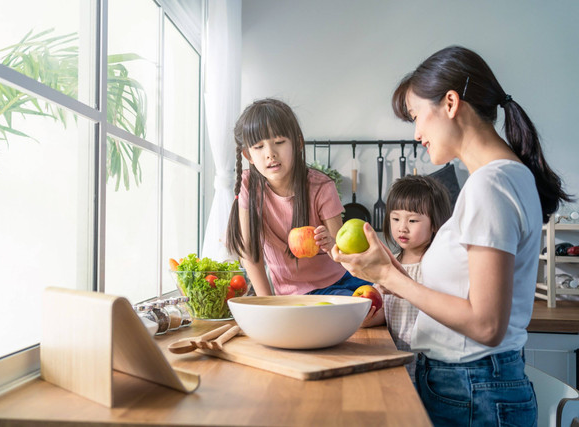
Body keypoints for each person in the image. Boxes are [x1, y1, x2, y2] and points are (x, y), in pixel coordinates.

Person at [332, 46, 572, 426]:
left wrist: (389, 278)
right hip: (470, 384)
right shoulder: (503, 178)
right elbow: (460, 293)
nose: (416, 133)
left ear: (449, 103)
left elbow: (486, 325)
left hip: (472, 389)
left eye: (416, 116)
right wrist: (386, 269)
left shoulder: (489, 186)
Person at [226, 98, 372, 297]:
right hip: (302, 293)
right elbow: (250, 254)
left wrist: (330, 244)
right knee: (364, 309)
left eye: (279, 142)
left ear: (298, 143)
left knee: (384, 297)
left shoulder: (321, 186)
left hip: (346, 277)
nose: (270, 154)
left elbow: (343, 252)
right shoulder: (249, 186)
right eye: (259, 147)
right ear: (248, 155)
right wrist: (268, 302)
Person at [360, 175, 452, 381]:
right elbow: (386, 313)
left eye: (412, 220)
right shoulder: (388, 265)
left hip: (432, 368)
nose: (402, 227)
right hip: (398, 359)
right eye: (395, 219)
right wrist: (366, 318)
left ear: (435, 224)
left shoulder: (437, 266)